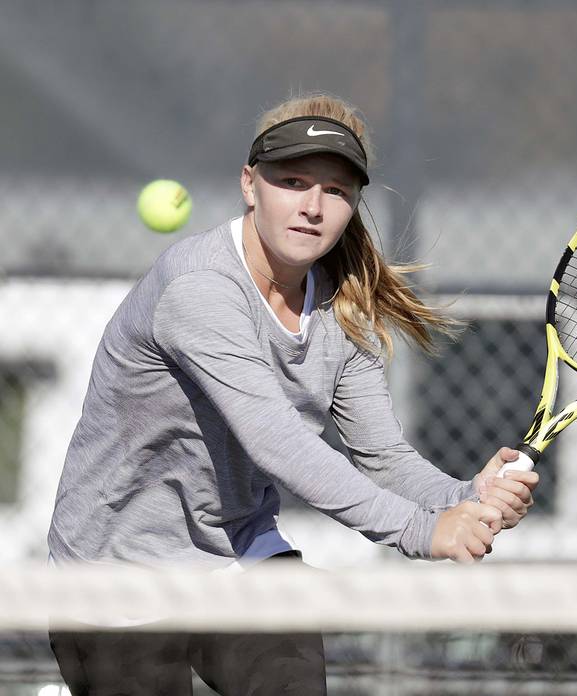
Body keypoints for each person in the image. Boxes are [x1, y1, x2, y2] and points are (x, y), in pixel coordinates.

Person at [47, 92, 539, 695]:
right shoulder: (200, 288)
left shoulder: (342, 307)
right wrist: (421, 530)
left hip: (240, 556)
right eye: (294, 181)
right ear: (250, 185)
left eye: (335, 191)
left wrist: (465, 497)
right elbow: (276, 442)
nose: (312, 207)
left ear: (354, 204)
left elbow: (382, 456)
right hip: (115, 572)